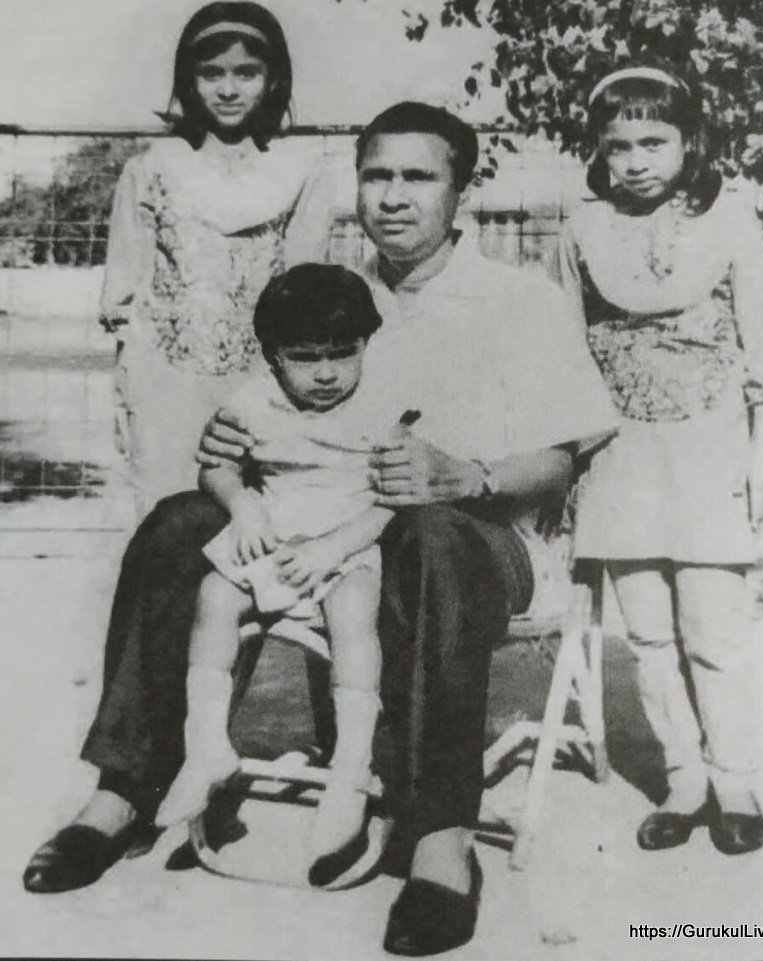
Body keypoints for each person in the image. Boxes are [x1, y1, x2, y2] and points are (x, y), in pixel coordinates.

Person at [24, 101, 618, 956]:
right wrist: (227, 445)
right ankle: (123, 788)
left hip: (478, 537)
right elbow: (261, 414)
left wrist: (471, 475)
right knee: (176, 523)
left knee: (431, 534)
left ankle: (439, 837)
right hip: (323, 524)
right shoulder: (330, 295)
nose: (393, 196)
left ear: (462, 188)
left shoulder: (519, 299)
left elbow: (559, 459)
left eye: (418, 177)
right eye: (376, 176)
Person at [554, 65, 763, 856]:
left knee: (711, 628)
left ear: (688, 142)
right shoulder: (581, 227)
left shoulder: (729, 218)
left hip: (710, 445)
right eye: (617, 145)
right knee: (649, 633)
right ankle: (683, 778)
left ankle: (733, 779)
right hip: (619, 452)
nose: (635, 161)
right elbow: (559, 345)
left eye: (652, 142)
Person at [155, 264, 398, 890]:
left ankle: (350, 768)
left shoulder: (383, 405)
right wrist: (242, 504)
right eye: (305, 358)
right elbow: (216, 467)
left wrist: (332, 548)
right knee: (215, 595)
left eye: (342, 354)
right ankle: (207, 747)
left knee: (354, 611)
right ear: (273, 356)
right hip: (273, 531)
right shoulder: (252, 401)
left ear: (366, 345)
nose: (326, 373)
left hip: (345, 541)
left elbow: (394, 499)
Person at [101, 1, 333, 515]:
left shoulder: (301, 171)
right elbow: (125, 290)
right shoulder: (152, 167)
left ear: (273, 79)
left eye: (246, 73)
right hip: (165, 380)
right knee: (167, 517)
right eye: (211, 74)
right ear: (190, 79)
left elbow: (303, 292)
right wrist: (125, 392)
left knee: (259, 519)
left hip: (260, 380)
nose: (228, 89)